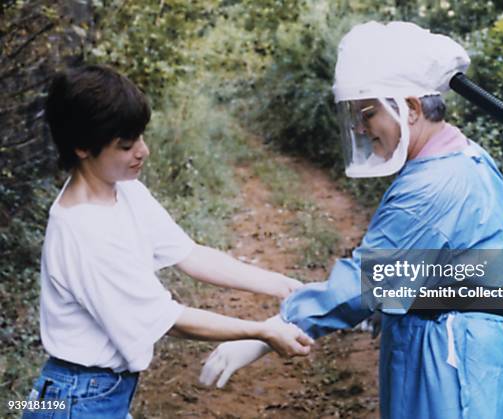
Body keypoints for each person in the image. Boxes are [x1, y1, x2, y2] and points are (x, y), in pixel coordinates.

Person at [201, 22, 503, 418]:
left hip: (454, 361)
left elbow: (368, 280)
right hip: (480, 353)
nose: (361, 128)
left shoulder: (432, 185)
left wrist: (267, 333)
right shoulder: (467, 156)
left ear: (412, 109)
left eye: (368, 114)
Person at [23, 64, 314, 419]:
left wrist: (285, 287)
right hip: (76, 400)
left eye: (141, 137)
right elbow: (168, 319)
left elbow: (190, 255)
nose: (142, 152)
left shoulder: (126, 191)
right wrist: (261, 332)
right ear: (83, 147)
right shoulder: (84, 231)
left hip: (89, 394)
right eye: (127, 145)